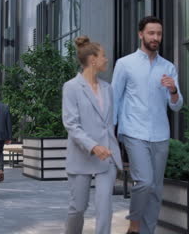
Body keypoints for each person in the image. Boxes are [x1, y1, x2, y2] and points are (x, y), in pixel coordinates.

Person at [111, 16, 183, 234]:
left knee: (156, 189)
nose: (155, 38)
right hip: (134, 132)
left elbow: (177, 106)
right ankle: (134, 222)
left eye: (159, 34)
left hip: (160, 134)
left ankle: (146, 231)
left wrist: (173, 90)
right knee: (144, 182)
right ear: (141, 34)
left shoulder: (168, 67)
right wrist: (110, 132)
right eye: (151, 33)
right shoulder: (125, 64)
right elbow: (115, 99)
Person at [62, 36, 123, 234]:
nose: (107, 60)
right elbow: (71, 124)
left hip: (107, 156)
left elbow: (108, 124)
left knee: (105, 208)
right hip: (83, 156)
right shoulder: (71, 87)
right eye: (103, 56)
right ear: (92, 60)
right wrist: (93, 146)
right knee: (78, 208)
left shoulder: (108, 88)